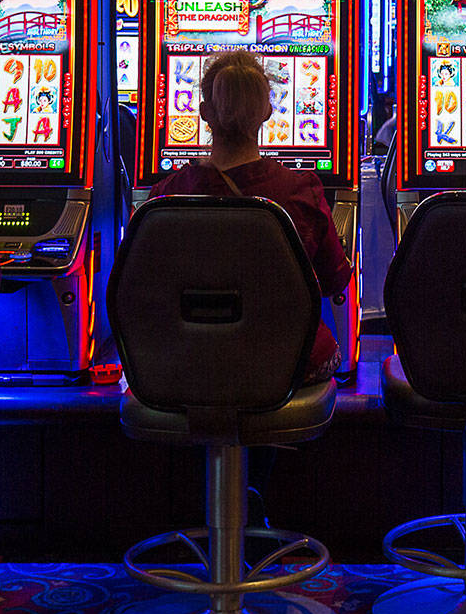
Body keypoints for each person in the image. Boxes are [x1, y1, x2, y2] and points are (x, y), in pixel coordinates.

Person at [150, 50, 353, 384]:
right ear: (268, 112)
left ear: (203, 113)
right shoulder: (300, 192)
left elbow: (143, 289)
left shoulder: (165, 197)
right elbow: (335, 283)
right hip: (283, 364)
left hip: (187, 364)